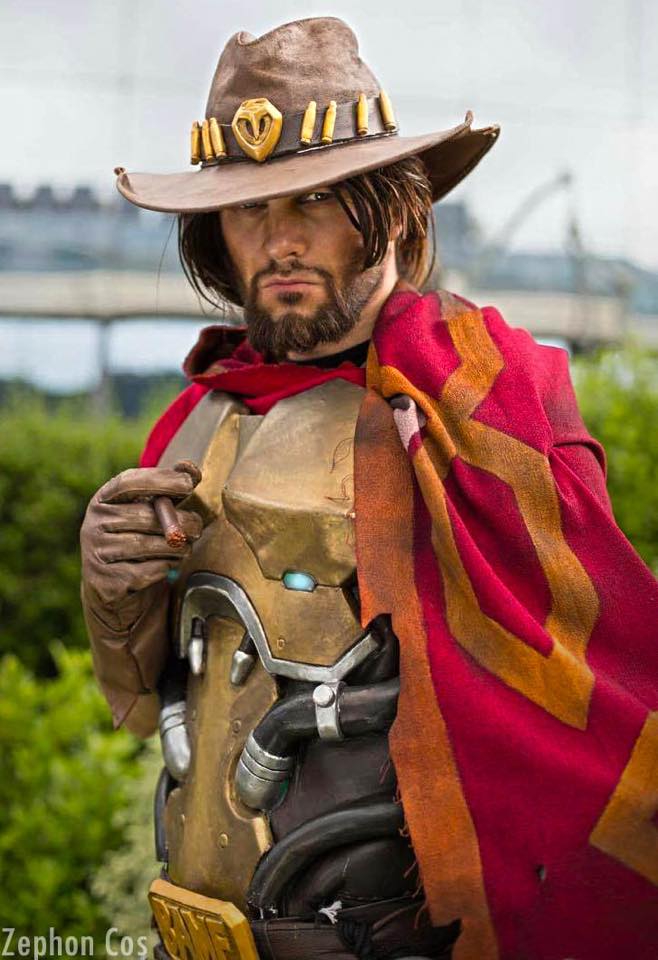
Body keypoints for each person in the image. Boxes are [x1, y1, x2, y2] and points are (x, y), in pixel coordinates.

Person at [80, 16, 658, 960]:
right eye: (248, 210)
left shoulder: (478, 404)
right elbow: (155, 701)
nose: (279, 241)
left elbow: (577, 702)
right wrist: (113, 592)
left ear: (388, 209)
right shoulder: (197, 419)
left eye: (313, 200)